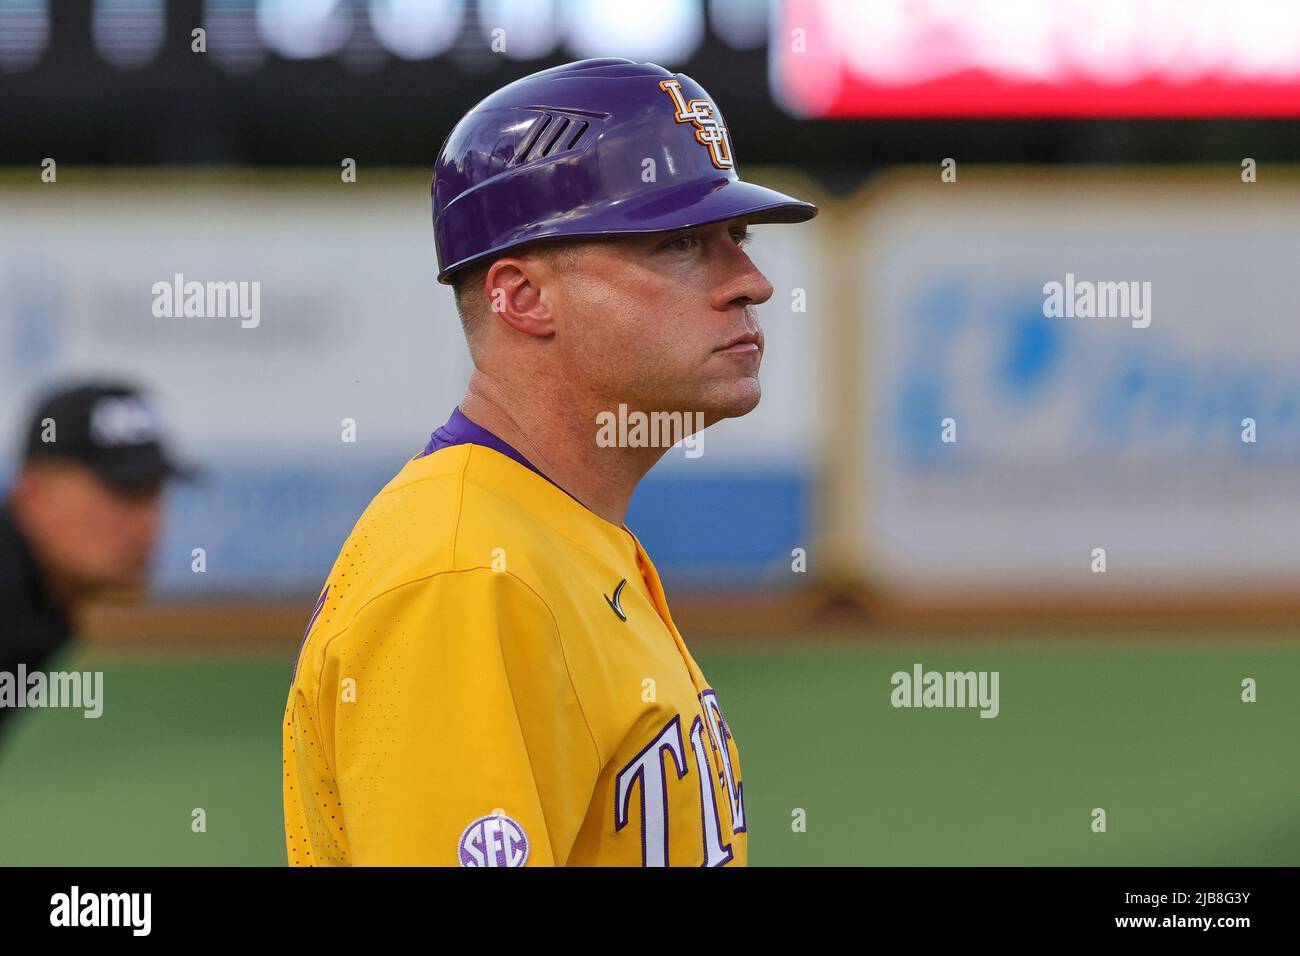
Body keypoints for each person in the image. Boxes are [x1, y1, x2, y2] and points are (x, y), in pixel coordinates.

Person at [282, 57, 817, 867]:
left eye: (734, 236)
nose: (751, 281)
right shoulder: (465, 573)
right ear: (523, 296)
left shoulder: (556, 532)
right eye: (679, 242)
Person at [0, 382, 191, 738]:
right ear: (33, 497)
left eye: (155, 493)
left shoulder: (37, 599)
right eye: (124, 491)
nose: (148, 524)